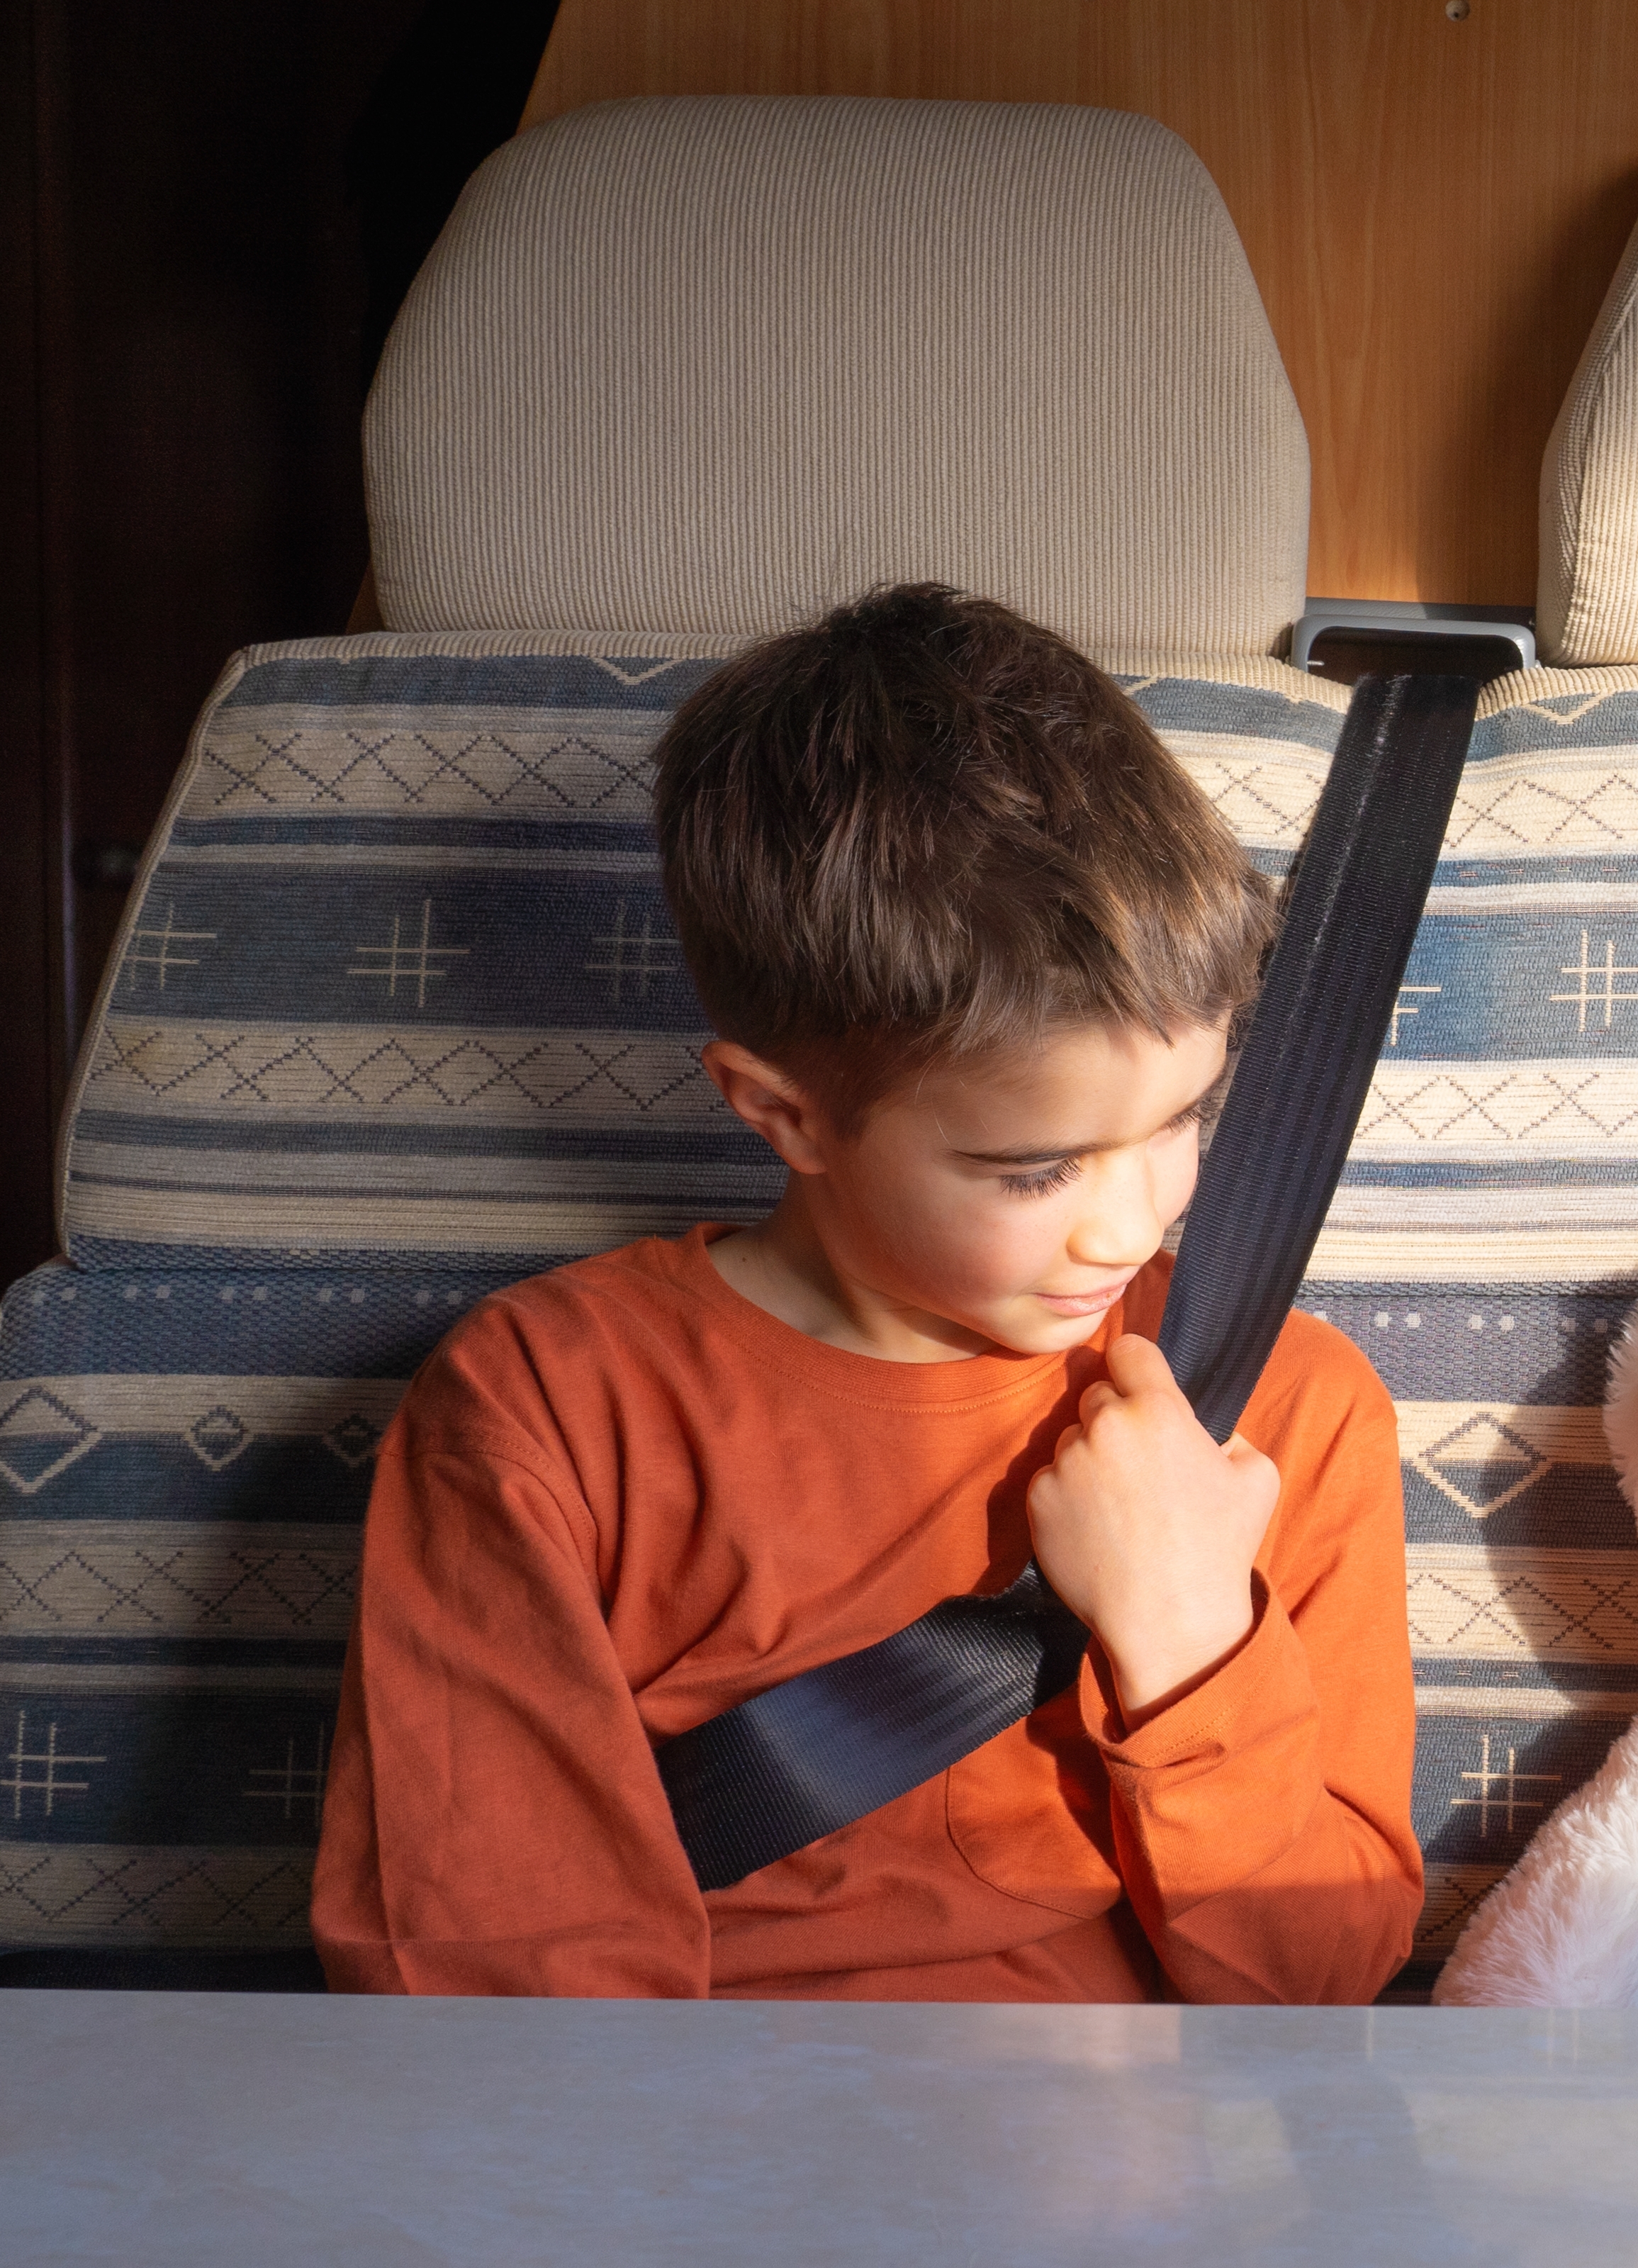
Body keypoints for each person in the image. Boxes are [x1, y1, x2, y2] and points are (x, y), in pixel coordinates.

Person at [312, 584, 1420, 2000]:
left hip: (1147, 2181)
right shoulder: (548, 1405)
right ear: (787, 1116)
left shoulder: (1281, 1412)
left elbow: (1320, 1985)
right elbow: (496, 1976)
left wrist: (1192, 1631)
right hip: (702, 2167)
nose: (1135, 1226)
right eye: (1035, 1172)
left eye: (1183, 1119)